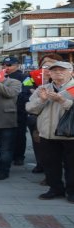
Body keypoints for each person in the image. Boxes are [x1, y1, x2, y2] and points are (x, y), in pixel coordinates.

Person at [26, 61, 74, 202]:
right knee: (50, 163)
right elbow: (30, 108)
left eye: (62, 70)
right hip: (47, 133)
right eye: (54, 70)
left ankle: (72, 191)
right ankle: (55, 188)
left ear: (71, 72)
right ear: (50, 73)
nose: (58, 72)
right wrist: (41, 100)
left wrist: (62, 101)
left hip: (70, 134)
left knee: (72, 165)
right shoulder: (43, 88)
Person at [23, 54, 64, 174]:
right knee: (39, 143)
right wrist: (35, 92)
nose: (47, 68)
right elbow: (25, 91)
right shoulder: (31, 76)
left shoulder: (63, 79)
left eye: (51, 65)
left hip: (59, 117)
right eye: (44, 65)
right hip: (37, 116)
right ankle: (41, 164)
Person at [0, 56, 30, 166]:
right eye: (4, 65)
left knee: (19, 135)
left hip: (18, 110)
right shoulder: (0, 76)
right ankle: (6, 155)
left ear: (17, 65)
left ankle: (19, 156)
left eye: (9, 65)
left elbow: (27, 92)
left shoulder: (24, 77)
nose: (6, 67)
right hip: (3, 110)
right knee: (4, 135)